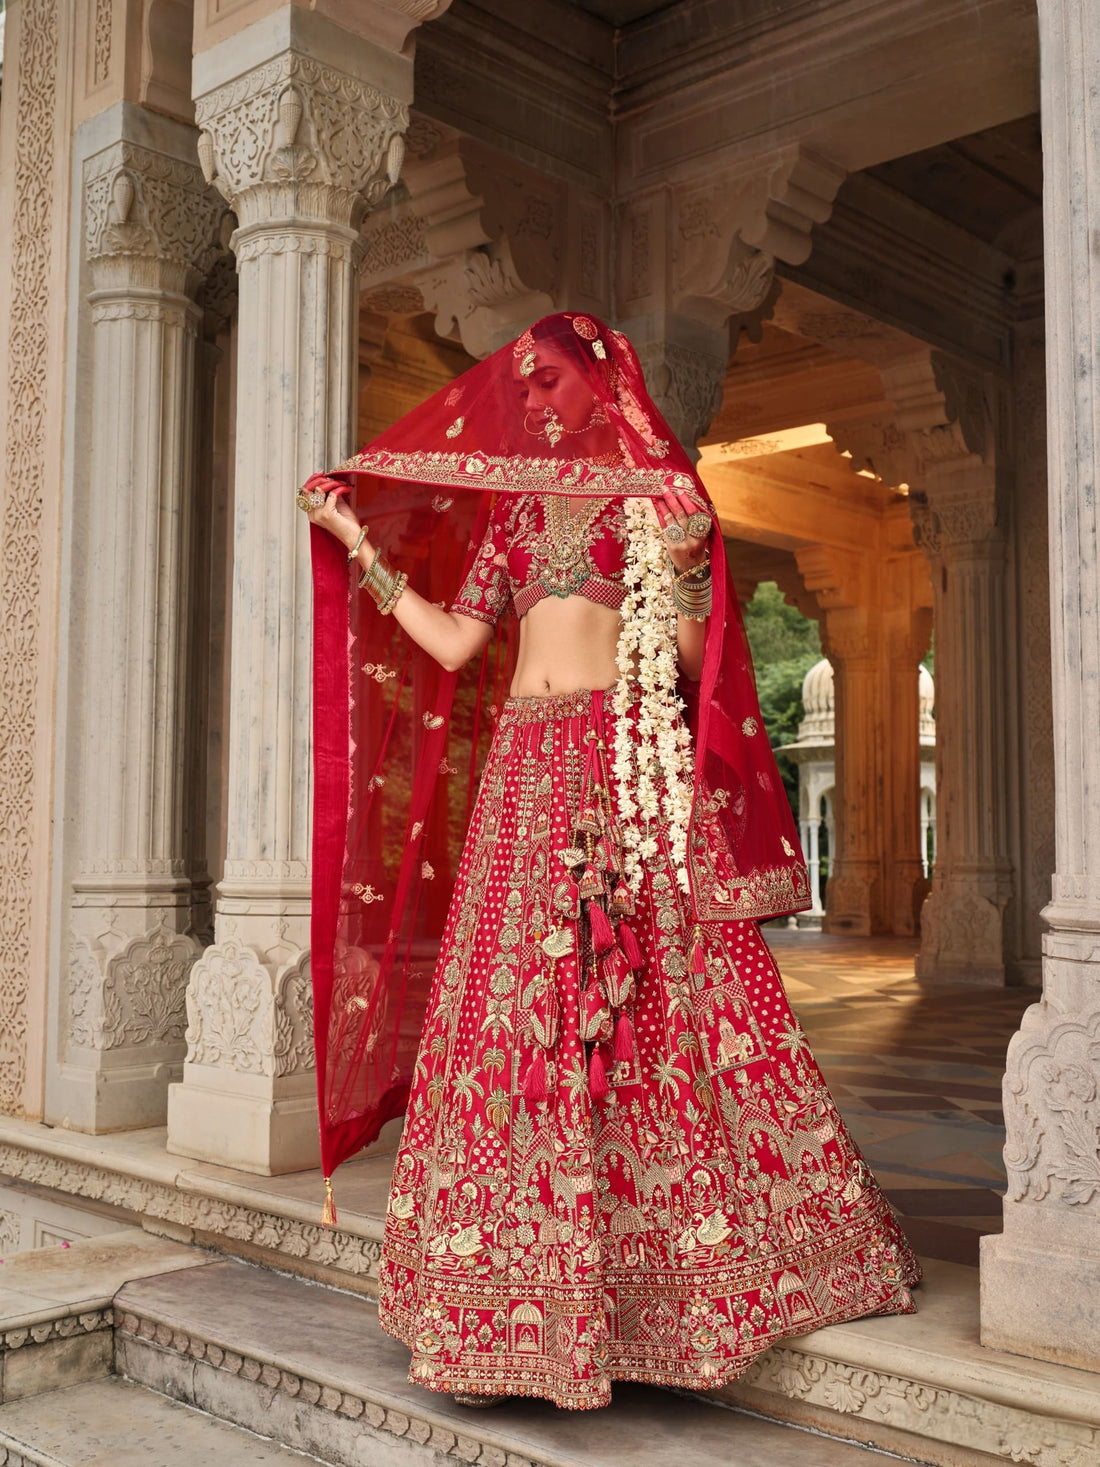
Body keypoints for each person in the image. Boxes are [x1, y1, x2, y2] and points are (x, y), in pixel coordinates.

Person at [300, 312, 920, 1412]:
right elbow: (454, 645)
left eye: (546, 383)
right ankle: (504, 1297)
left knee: (656, 1009)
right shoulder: (516, 514)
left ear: (599, 381)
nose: (530, 402)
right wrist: (357, 543)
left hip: (620, 770)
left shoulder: (657, 500)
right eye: (524, 387)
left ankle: (673, 1292)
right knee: (514, 1017)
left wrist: (684, 565)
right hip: (521, 782)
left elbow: (693, 663)